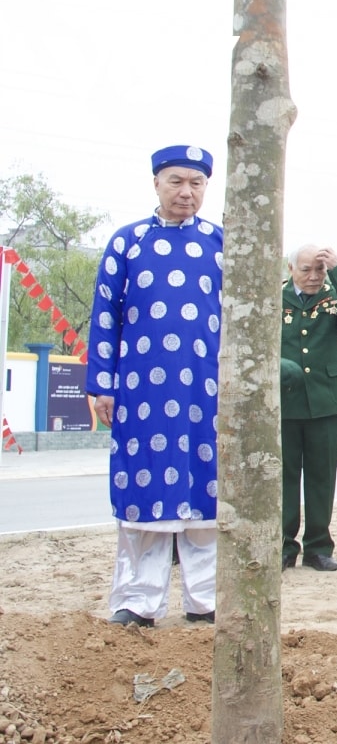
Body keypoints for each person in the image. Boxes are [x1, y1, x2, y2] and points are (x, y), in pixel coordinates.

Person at [86, 144, 223, 627]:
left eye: (196, 183)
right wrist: (102, 384)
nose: (186, 192)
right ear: (156, 184)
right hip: (141, 392)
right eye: (176, 182)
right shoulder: (127, 243)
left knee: (207, 496)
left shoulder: (222, 243)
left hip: (208, 392)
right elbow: (105, 317)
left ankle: (206, 600)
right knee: (144, 494)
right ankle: (138, 601)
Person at [280, 245, 337, 572]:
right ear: (291, 269)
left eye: (320, 270)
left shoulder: (333, 297)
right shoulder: (276, 299)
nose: (313, 277)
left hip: (325, 401)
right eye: (306, 270)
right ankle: (285, 546)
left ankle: (318, 547)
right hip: (287, 400)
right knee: (286, 476)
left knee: (321, 477)